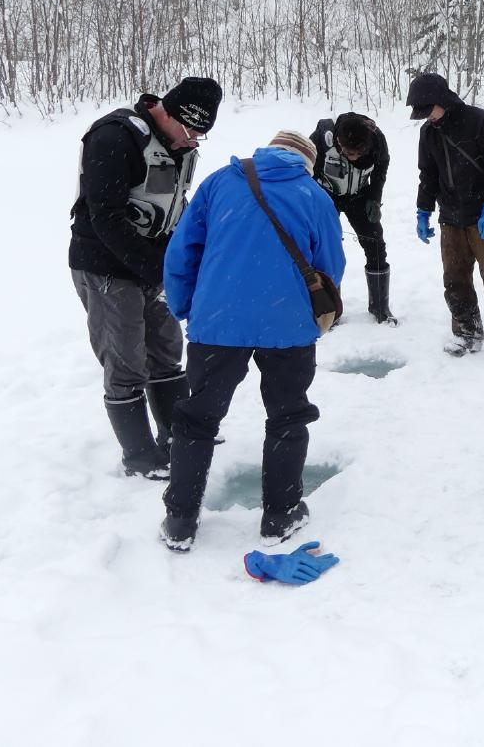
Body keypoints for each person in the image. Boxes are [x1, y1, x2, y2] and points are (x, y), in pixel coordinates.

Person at [159, 131, 346, 552]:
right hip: (289, 325)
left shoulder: (219, 183)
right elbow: (330, 265)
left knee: (197, 418)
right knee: (287, 415)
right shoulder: (313, 195)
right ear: (305, 162)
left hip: (218, 322)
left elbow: (182, 250)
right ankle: (280, 515)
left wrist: (187, 305)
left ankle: (180, 519)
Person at [69, 77, 223, 480]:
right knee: (125, 359)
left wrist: (184, 260)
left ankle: (176, 434)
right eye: (190, 131)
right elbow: (105, 218)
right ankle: (139, 457)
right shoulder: (116, 138)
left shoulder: (179, 146)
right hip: (104, 266)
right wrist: (158, 269)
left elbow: (175, 205)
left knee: (166, 349)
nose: (193, 141)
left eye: (200, 136)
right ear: (168, 113)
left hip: (153, 263)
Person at [407, 72, 484, 358]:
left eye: (427, 110)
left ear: (442, 100)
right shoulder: (428, 133)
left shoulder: (480, 122)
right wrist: (423, 210)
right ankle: (466, 330)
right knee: (454, 278)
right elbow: (427, 175)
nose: (426, 118)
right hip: (451, 216)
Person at [309, 112, 397, 325]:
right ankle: (329, 310)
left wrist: (375, 198)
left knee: (375, 243)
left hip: (360, 195)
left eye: (360, 152)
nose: (355, 157)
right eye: (350, 152)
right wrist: (313, 202)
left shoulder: (376, 139)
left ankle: (380, 307)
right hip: (326, 195)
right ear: (339, 142)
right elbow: (306, 168)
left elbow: (382, 166)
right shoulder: (323, 139)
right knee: (326, 249)